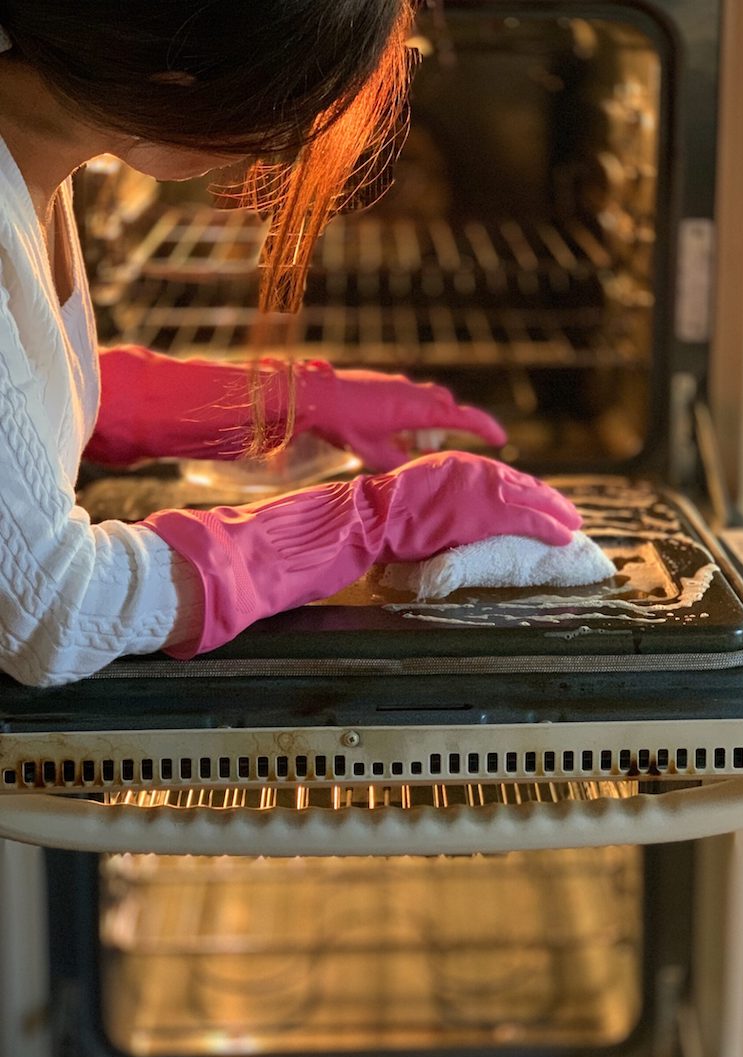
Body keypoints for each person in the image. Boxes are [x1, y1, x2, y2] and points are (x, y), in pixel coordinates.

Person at [0, 0, 581, 689]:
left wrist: (281, 401)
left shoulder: (37, 150)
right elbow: (53, 610)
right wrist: (361, 525)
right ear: (177, 80)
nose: (275, 147)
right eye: (278, 115)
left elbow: (24, 398)